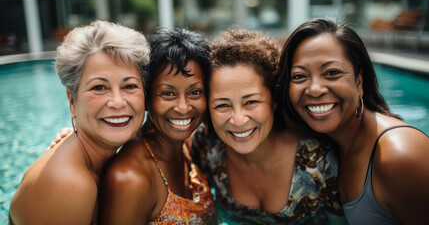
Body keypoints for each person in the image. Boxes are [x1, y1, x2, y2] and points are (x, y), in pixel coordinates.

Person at [278, 18, 429, 224]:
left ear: (359, 82)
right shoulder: (328, 148)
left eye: (332, 73)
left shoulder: (400, 154)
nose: (314, 89)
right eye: (298, 76)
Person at [192, 29, 344, 224]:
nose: (238, 120)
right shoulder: (207, 149)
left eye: (251, 102)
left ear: (274, 100)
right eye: (222, 105)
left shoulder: (321, 158)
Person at [9, 20, 150, 224]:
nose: (118, 102)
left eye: (129, 86)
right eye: (99, 88)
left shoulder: (103, 154)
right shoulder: (68, 184)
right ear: (73, 102)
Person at [98, 27, 217, 224]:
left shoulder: (189, 146)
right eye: (168, 93)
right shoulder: (130, 178)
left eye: (195, 92)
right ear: (146, 98)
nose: (183, 107)